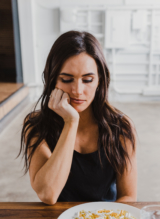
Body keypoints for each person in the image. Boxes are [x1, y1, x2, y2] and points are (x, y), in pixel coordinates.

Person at [19, 31, 137, 205]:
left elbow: (128, 196)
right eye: (67, 79)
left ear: (100, 81)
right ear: (53, 81)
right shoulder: (36, 126)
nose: (77, 90)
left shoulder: (121, 127)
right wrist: (71, 122)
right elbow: (47, 194)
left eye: (88, 79)